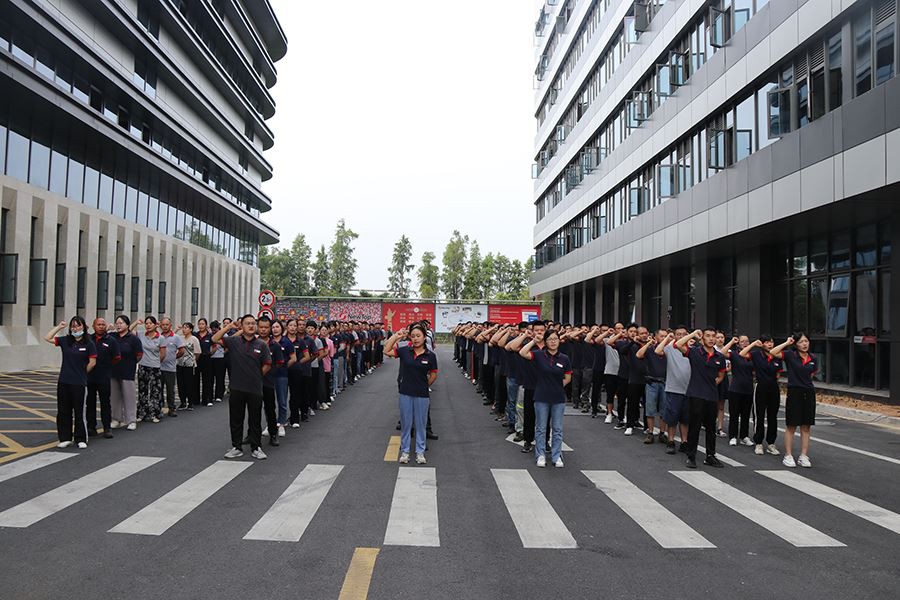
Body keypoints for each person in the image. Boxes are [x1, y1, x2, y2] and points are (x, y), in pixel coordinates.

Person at [214, 315, 271, 460]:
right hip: (237, 387)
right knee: (236, 419)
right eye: (247, 323)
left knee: (255, 419)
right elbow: (215, 339)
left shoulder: (261, 344)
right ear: (242, 326)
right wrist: (229, 327)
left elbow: (267, 364)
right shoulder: (233, 341)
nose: (251, 326)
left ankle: (256, 447)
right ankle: (237, 447)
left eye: (253, 323)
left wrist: (257, 376)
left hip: (255, 388)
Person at [385, 324, 438, 464]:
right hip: (405, 393)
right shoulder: (404, 351)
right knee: (406, 423)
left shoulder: (430, 356)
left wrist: (425, 386)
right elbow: (386, 350)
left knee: (421, 424)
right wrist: (396, 336)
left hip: (422, 394)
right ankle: (405, 452)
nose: (415, 339)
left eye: (418, 336)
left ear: (424, 337)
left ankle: (420, 452)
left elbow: (433, 375)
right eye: (413, 336)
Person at [519, 328, 572, 468]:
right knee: (541, 428)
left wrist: (557, 385)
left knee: (557, 429)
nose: (553, 342)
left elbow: (568, 377)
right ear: (545, 341)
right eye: (550, 339)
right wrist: (533, 341)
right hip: (541, 396)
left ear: (559, 340)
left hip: (558, 398)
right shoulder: (539, 355)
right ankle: (541, 455)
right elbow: (522, 353)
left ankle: (556, 456)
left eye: (555, 339)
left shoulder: (564, 358)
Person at [675, 328, 727, 469]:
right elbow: (678, 344)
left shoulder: (719, 357)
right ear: (702, 338)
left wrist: (711, 384)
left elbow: (721, 375)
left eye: (713, 336)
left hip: (711, 396)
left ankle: (710, 456)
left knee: (711, 427)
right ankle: (691, 456)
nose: (711, 339)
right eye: (708, 336)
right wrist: (692, 334)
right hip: (696, 395)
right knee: (695, 427)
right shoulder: (694, 352)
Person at [44, 317, 97, 449]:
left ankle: (81, 438)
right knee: (63, 411)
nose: (75, 328)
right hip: (64, 381)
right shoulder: (65, 341)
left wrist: (83, 373)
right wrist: (59, 327)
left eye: (78, 326)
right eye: (73, 326)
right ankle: (65, 437)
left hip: (79, 382)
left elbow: (92, 362)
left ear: (83, 327)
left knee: (79, 411)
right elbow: (47, 337)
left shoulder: (89, 344)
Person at [770, 333, 818, 468]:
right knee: (792, 425)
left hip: (808, 392)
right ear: (796, 344)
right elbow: (773, 352)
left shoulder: (813, 358)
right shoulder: (791, 355)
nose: (804, 344)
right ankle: (788, 455)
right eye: (801, 341)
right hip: (794, 392)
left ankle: (803, 455)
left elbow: (812, 374)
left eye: (806, 341)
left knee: (806, 426)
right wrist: (786, 343)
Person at [742, 336, 782, 456]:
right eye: (767, 342)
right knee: (759, 415)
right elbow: (742, 354)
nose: (770, 344)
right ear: (762, 344)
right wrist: (754, 344)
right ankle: (758, 443)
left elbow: (778, 375)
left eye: (771, 342)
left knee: (772, 416)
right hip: (760, 387)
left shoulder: (776, 356)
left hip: (774, 388)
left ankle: (771, 443)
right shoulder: (756, 355)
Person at [657, 327, 691, 455]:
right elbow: (658, 350)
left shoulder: (691, 351)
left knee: (685, 419)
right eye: (678, 334)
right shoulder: (670, 349)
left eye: (683, 334)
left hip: (688, 390)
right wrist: (668, 338)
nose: (681, 336)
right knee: (672, 418)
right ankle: (671, 441)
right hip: (673, 389)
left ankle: (684, 442)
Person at [86, 317, 120, 439]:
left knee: (105, 403)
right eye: (98, 324)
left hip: (104, 376)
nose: (101, 326)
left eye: (103, 324)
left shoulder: (111, 340)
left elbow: (116, 357)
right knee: (90, 402)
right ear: (93, 326)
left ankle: (107, 428)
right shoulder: (88, 339)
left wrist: (107, 367)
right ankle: (91, 427)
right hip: (89, 376)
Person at [110, 315, 143, 431]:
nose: (118, 325)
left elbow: (139, 355)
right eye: (117, 323)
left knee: (129, 397)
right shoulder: (112, 337)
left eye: (121, 323)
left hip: (127, 371)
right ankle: (116, 419)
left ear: (127, 325)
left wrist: (131, 363)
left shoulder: (133, 339)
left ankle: (131, 420)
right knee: (114, 397)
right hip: (113, 371)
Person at [636, 328, 667, 444]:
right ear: (656, 337)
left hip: (665, 383)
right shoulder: (650, 349)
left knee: (664, 410)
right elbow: (638, 355)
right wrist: (648, 342)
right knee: (650, 409)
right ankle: (650, 432)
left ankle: (662, 433)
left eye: (666, 336)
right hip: (652, 382)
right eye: (661, 336)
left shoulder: (669, 350)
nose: (664, 338)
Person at [133, 316, 165, 425]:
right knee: (142, 391)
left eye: (151, 323)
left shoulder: (160, 338)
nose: (148, 325)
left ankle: (155, 414)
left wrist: (155, 362)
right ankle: (142, 413)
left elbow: (162, 354)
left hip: (155, 367)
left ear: (156, 325)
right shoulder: (141, 335)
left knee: (155, 391)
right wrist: (136, 323)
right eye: (146, 323)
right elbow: (129, 331)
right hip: (142, 366)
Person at [257, 316, 284, 447]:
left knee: (270, 409)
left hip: (268, 382)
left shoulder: (275, 346)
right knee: (253, 410)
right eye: (260, 327)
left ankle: (273, 434)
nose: (263, 330)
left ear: (270, 329)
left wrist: (269, 372)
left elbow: (279, 363)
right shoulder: (253, 343)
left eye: (266, 327)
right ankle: (252, 434)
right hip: (253, 383)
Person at [725, 335, 755, 447]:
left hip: (748, 388)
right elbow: (722, 353)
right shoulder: (734, 354)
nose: (745, 343)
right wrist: (731, 342)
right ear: (738, 344)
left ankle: (744, 436)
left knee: (746, 414)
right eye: (742, 341)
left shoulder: (752, 356)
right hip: (735, 388)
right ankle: (732, 436)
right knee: (734, 414)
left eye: (747, 341)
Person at [271, 320, 296, 436]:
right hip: (268, 376)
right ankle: (270, 424)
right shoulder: (268, 342)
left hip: (281, 375)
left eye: (277, 327)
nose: (275, 329)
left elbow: (293, 358)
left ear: (281, 328)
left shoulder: (286, 342)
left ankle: (281, 423)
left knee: (282, 400)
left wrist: (284, 366)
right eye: (273, 327)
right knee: (269, 402)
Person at [159, 317, 185, 418]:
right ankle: (159, 408)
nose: (165, 326)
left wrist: (174, 357)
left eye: (167, 325)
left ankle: (172, 408)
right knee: (159, 390)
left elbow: (181, 350)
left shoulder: (176, 337)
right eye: (163, 325)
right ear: (160, 326)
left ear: (170, 326)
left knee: (170, 390)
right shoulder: (158, 337)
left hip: (170, 368)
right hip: (159, 367)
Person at [176, 322, 201, 411]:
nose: (184, 329)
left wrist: (193, 360)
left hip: (190, 365)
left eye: (186, 328)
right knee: (180, 383)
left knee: (189, 384)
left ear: (191, 329)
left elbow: (197, 353)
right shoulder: (180, 338)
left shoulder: (194, 339)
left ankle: (190, 402)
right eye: (183, 328)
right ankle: (182, 402)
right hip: (180, 363)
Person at [196, 318, 215, 407]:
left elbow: (215, 346)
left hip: (207, 358)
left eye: (202, 324)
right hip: (196, 358)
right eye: (199, 324)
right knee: (195, 379)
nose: (201, 326)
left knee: (207, 380)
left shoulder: (210, 336)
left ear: (206, 325)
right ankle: (195, 399)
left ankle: (207, 399)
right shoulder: (195, 335)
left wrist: (210, 353)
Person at [209, 320, 227, 404]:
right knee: (210, 378)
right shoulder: (209, 335)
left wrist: (218, 341)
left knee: (220, 378)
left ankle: (219, 395)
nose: (213, 331)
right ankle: (211, 395)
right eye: (212, 329)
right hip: (211, 358)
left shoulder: (224, 335)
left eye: (215, 330)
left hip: (220, 358)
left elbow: (227, 346)